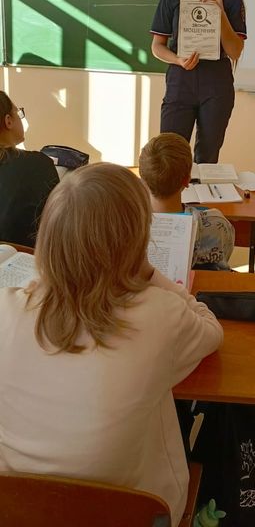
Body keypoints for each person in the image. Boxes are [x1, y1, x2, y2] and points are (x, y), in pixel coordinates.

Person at [0, 163, 223, 527]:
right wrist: (150, 273)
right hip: (136, 512)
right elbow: (212, 331)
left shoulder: (6, 310)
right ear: (137, 242)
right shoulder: (159, 313)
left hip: (19, 511)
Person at [150, 0, 247, 163]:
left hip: (216, 82)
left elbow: (235, 51)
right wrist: (178, 60)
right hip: (180, 79)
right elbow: (157, 46)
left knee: (207, 157)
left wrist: (219, 12)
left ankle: (203, 191)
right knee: (170, 155)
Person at [139, 132, 235, 271]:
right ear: (187, 179)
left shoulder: (128, 225)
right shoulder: (217, 224)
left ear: (142, 181)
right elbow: (224, 256)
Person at [0, 91, 59, 247]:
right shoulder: (38, 164)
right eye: (19, 113)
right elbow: (59, 223)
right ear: (8, 121)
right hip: (27, 256)